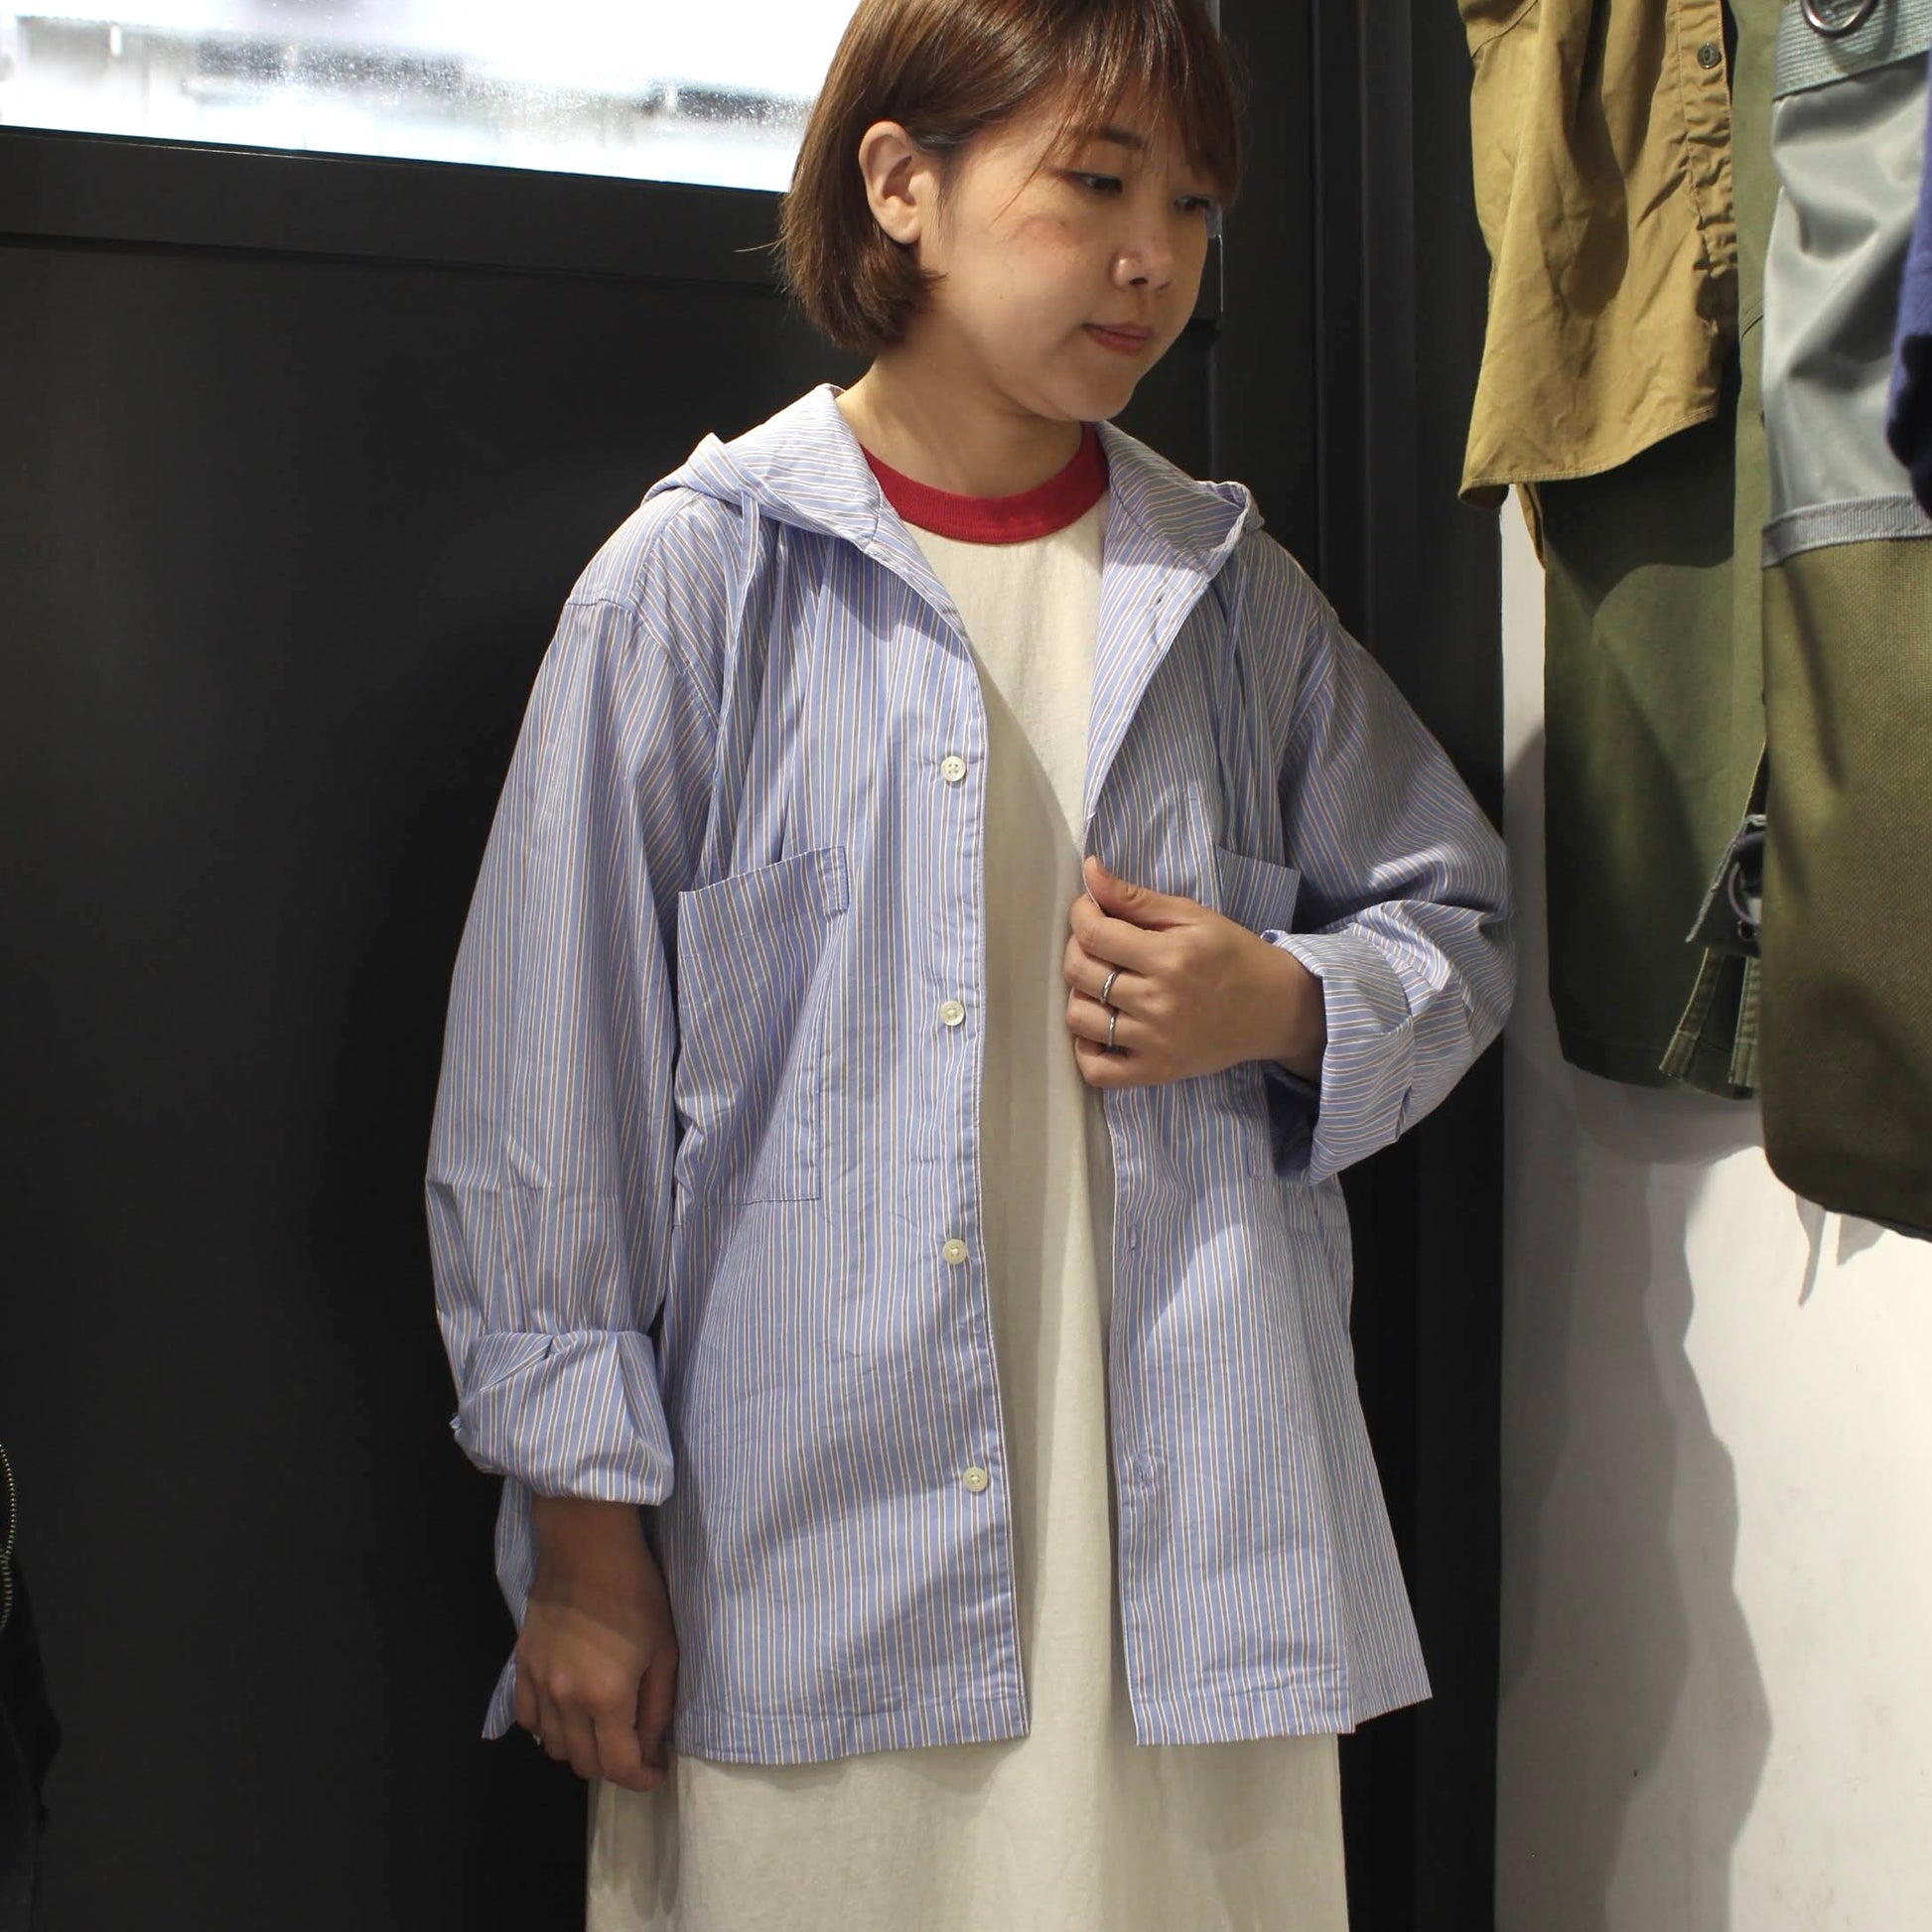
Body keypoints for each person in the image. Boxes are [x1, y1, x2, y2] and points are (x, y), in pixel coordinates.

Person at [424, 1, 1515, 1926]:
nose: (1150, 256)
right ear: (900, 183)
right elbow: (544, 1115)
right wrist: (586, 1549)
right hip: (812, 1561)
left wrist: (1281, 1001)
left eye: (1192, 204)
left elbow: (1456, 917)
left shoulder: (1228, 596)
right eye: (1093, 182)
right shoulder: (699, 588)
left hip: (1188, 1563)